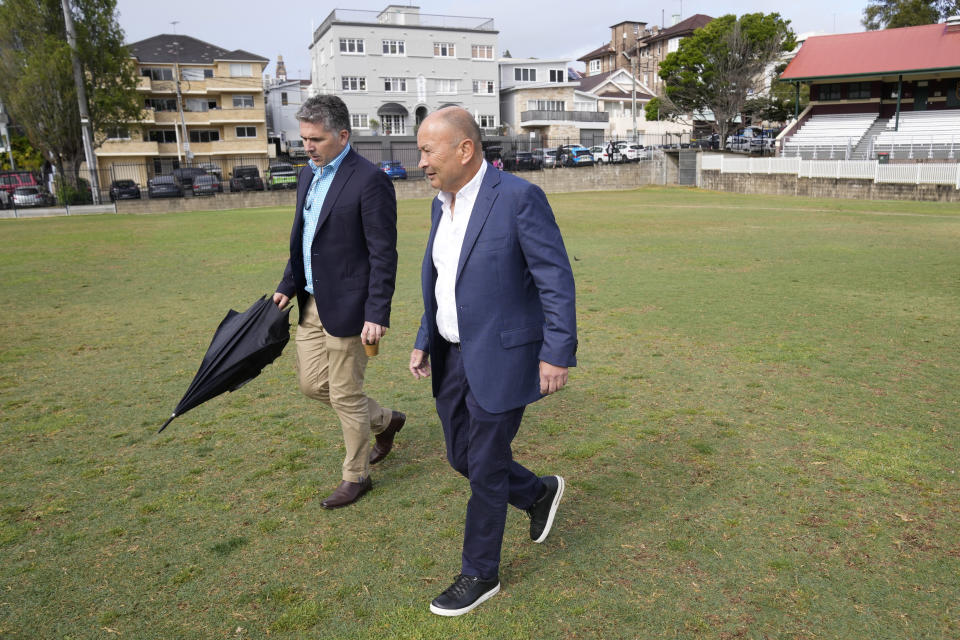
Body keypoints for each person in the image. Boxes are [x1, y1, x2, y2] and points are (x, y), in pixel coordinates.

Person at [409, 107, 578, 616]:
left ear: (465, 149)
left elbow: (555, 279)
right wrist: (424, 336)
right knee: (461, 456)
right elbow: (443, 279)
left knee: (483, 466)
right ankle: (537, 492)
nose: (420, 163)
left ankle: (479, 573)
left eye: (427, 151)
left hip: (504, 356)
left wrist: (556, 351)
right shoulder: (443, 205)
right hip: (452, 353)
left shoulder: (520, 199)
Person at [272, 94, 405, 510]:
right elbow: (305, 242)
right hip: (312, 303)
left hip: (351, 307)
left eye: (316, 139)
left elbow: (384, 253)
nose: (307, 146)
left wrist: (376, 313)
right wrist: (287, 285)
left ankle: (356, 475)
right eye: (304, 138)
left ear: (343, 135)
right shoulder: (306, 176)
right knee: (313, 385)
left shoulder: (369, 180)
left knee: (346, 394)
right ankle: (386, 420)